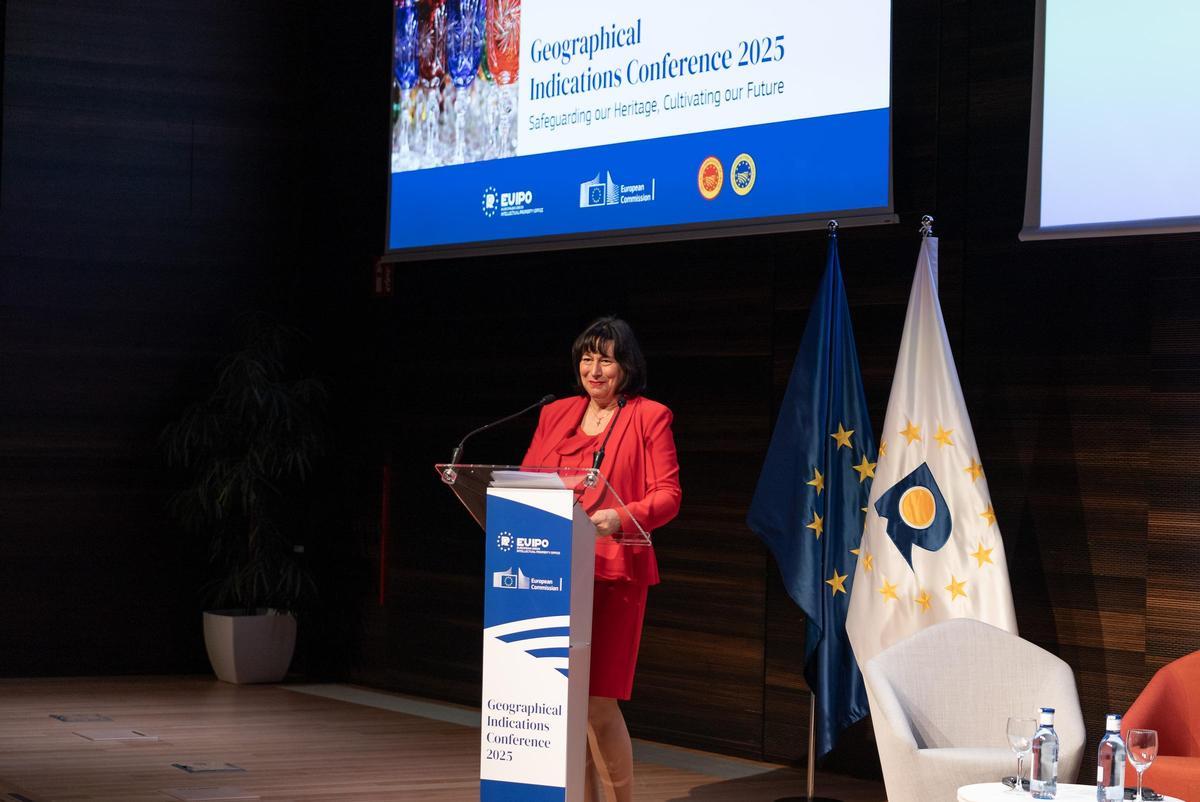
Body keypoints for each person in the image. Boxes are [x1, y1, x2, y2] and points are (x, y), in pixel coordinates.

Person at [522, 316, 682, 802]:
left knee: (596, 704)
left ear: (626, 367)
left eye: (605, 359)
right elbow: (526, 481)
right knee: (564, 706)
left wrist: (621, 516)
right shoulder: (555, 413)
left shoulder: (649, 416)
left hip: (613, 571)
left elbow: (669, 495)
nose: (594, 369)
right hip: (554, 570)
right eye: (587, 358)